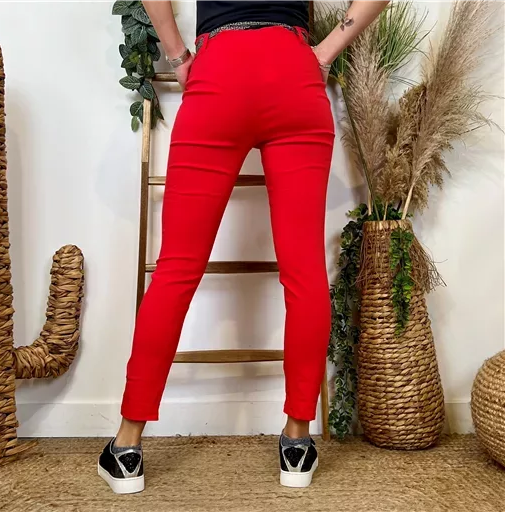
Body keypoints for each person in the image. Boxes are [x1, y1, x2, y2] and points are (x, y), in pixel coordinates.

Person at [98, 0, 390, 494]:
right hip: (294, 71)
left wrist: (178, 56)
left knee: (175, 270)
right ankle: (297, 441)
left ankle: (127, 447)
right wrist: (325, 51)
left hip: (220, 70)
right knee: (304, 271)